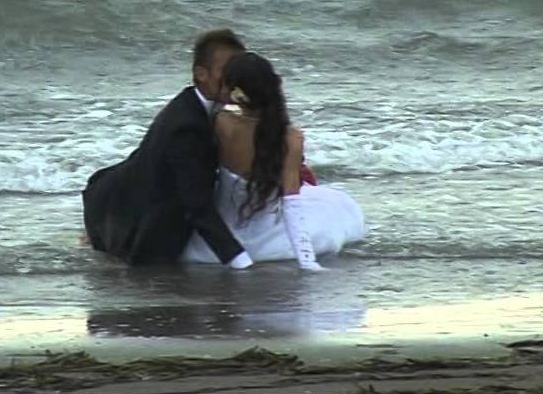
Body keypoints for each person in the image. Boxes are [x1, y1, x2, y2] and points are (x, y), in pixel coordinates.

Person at [82, 29, 255, 268]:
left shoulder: (193, 105)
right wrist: (238, 260)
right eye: (227, 71)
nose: (235, 79)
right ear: (201, 74)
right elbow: (196, 205)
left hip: (123, 196)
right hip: (137, 224)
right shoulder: (187, 125)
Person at [181, 52, 365, 270]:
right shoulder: (291, 138)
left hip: (218, 241)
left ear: (235, 93)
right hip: (272, 241)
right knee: (339, 207)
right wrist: (307, 261)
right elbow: (291, 204)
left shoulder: (221, 123)